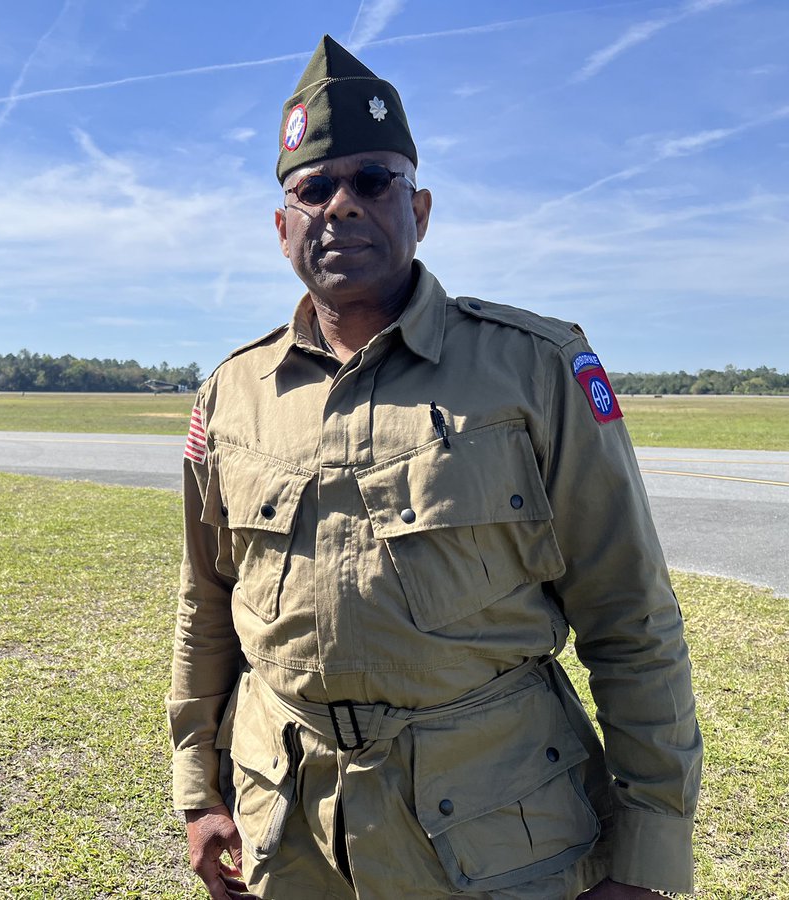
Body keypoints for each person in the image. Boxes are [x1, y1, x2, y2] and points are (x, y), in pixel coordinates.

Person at [168, 35, 701, 900]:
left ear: (419, 208)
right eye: (314, 189)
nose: (342, 207)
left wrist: (648, 852)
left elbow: (630, 613)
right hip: (289, 825)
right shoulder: (231, 394)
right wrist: (200, 788)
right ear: (281, 227)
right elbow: (207, 605)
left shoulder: (534, 368)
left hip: (497, 826)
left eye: (372, 182)